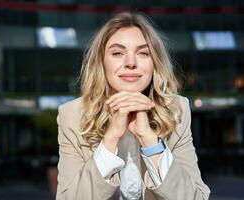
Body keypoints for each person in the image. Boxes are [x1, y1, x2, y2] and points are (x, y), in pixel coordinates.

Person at [56, 12, 210, 200]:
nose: (130, 63)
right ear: (101, 62)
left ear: (155, 63)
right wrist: (111, 138)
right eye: (118, 53)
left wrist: (149, 141)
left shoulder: (177, 110)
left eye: (143, 53)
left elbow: (196, 197)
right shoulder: (71, 115)